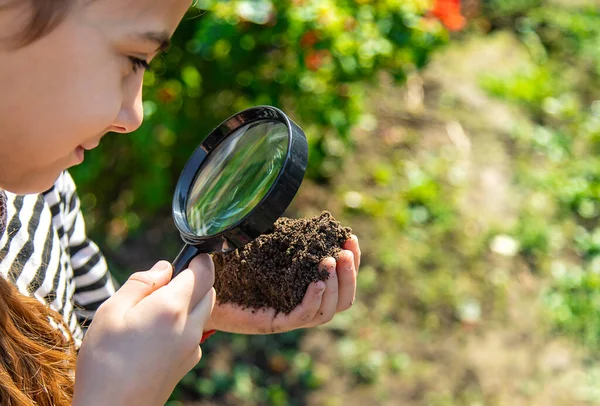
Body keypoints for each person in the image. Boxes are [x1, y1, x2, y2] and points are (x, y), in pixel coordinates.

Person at [0, 0, 361, 405]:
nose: (133, 116)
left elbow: (85, 331)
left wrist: (202, 307)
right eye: (134, 58)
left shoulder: (41, 191)